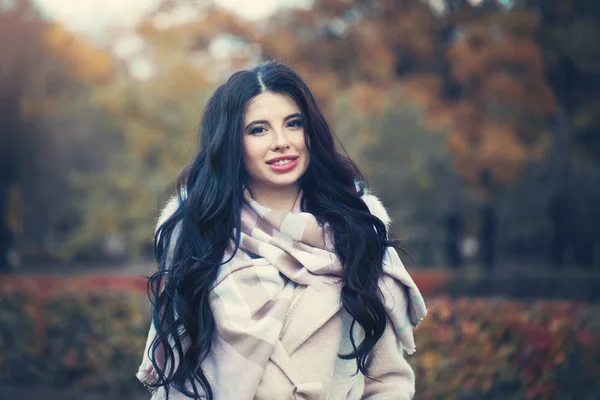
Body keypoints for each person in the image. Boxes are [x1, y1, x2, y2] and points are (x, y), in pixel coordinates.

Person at [136, 61, 427, 400]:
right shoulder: (199, 236)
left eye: (293, 123)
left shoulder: (357, 233)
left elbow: (387, 379)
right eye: (258, 129)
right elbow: (179, 382)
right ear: (231, 142)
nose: (281, 142)